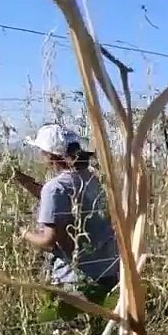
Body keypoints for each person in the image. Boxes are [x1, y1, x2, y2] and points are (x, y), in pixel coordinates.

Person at [14, 124, 120, 300]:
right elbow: (61, 200)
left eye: (42, 151)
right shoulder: (90, 178)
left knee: (72, 326)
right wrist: (24, 181)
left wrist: (24, 233)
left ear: (50, 155)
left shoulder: (55, 188)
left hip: (76, 279)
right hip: (107, 269)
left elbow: (49, 241)